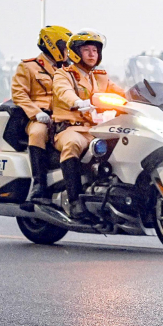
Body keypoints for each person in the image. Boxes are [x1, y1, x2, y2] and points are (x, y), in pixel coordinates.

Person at [52, 30, 124, 219]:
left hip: (96, 129)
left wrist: (142, 98)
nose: (93, 54)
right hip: (70, 128)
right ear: (76, 52)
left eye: (95, 50)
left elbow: (122, 93)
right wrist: (78, 102)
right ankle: (74, 201)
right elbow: (63, 91)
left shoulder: (100, 76)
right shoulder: (64, 74)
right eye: (87, 50)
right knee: (73, 144)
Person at [11, 25, 73, 205]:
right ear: (52, 44)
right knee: (38, 133)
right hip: (40, 117)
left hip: (66, 116)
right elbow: (19, 94)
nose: (66, 50)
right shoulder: (28, 67)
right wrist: (36, 113)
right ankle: (38, 185)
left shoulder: (70, 70)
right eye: (64, 46)